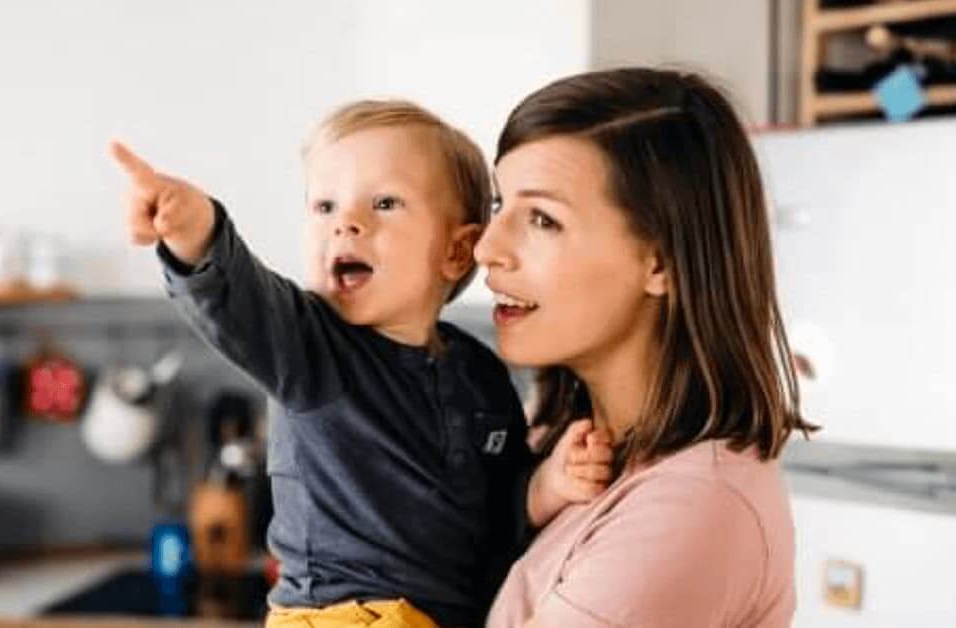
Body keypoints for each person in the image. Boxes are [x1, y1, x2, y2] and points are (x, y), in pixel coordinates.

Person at [111, 100, 614, 627]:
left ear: (457, 251)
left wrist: (549, 485)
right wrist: (195, 229)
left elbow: (498, 510)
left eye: (385, 204)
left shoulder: (480, 375)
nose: (346, 224)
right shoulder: (309, 348)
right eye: (324, 206)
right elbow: (237, 298)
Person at [478, 68, 818, 627]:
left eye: (542, 219)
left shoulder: (697, 507)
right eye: (498, 206)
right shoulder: (554, 446)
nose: (487, 249)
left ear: (659, 261)